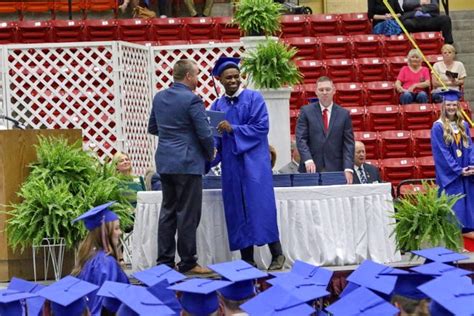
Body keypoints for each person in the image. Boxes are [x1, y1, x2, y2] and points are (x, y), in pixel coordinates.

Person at [210, 57, 285, 270]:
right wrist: (210, 154)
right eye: (228, 78)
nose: (233, 80)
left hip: (254, 164)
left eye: (236, 76)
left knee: (261, 207)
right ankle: (247, 259)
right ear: (220, 80)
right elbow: (216, 139)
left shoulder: (254, 98)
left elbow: (262, 127)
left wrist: (234, 129)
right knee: (238, 209)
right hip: (232, 166)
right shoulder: (217, 104)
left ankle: (277, 254)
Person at [148, 58, 215, 274]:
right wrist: (209, 152)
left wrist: (172, 137)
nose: (197, 79)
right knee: (187, 213)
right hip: (187, 163)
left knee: (168, 211)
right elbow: (204, 133)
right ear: (188, 76)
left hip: (165, 161)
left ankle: (165, 262)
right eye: (196, 74)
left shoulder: (159, 97)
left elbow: (153, 127)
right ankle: (188, 262)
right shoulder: (192, 100)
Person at [71, 202, 130, 316]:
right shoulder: (106, 263)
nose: (120, 232)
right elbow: (105, 301)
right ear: (105, 233)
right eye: (116, 228)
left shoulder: (89, 257)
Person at [431, 89, 474, 241]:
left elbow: (469, 146)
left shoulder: (463, 125)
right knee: (454, 209)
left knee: (467, 207)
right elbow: (441, 152)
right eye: (448, 105)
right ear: (443, 106)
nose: (451, 107)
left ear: (458, 106)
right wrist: (458, 170)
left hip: (466, 174)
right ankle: (454, 244)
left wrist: (471, 165)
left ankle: (466, 244)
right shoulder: (438, 127)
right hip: (452, 177)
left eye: (454, 105)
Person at [295, 76, 355, 184]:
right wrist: (307, 160)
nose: (324, 92)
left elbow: (348, 144)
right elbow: (301, 139)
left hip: (337, 170)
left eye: (327, 89)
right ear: (316, 92)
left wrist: (348, 168)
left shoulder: (344, 114)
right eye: (321, 90)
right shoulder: (306, 111)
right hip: (310, 169)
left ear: (334, 91)